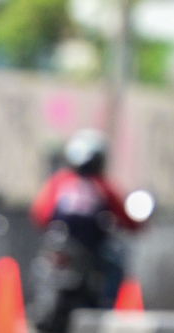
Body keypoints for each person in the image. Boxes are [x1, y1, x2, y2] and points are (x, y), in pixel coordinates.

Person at [30, 129, 141, 307]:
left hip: (75, 248)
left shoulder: (59, 182)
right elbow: (126, 218)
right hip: (84, 249)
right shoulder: (103, 186)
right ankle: (106, 307)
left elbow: (39, 213)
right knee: (114, 265)